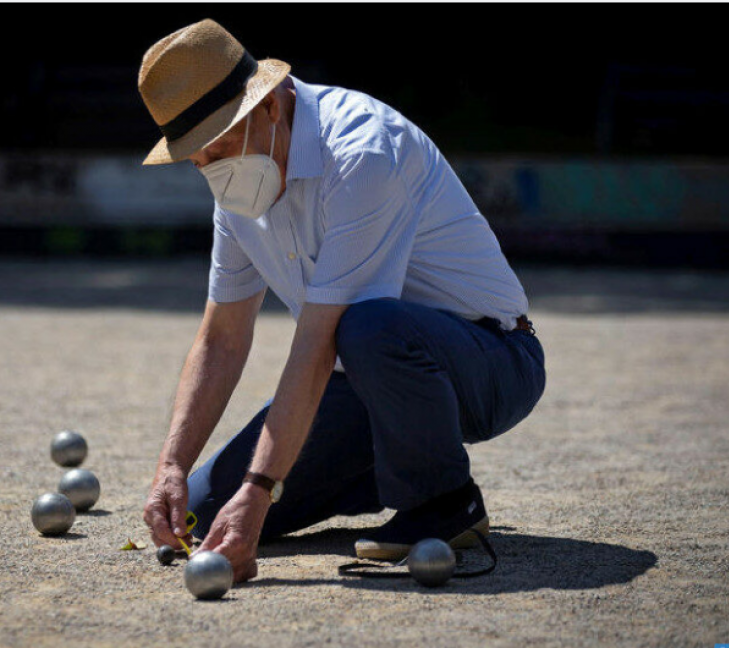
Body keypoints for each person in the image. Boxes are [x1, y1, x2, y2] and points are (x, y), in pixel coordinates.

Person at [138, 19, 546, 583]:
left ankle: (447, 501)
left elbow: (319, 341)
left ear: (270, 107)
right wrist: (171, 467)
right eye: (197, 160)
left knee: (366, 326)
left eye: (222, 146)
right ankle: (380, 466)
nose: (214, 172)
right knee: (202, 512)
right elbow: (221, 337)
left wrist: (259, 491)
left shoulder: (364, 152)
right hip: (368, 385)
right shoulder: (236, 194)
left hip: (493, 362)